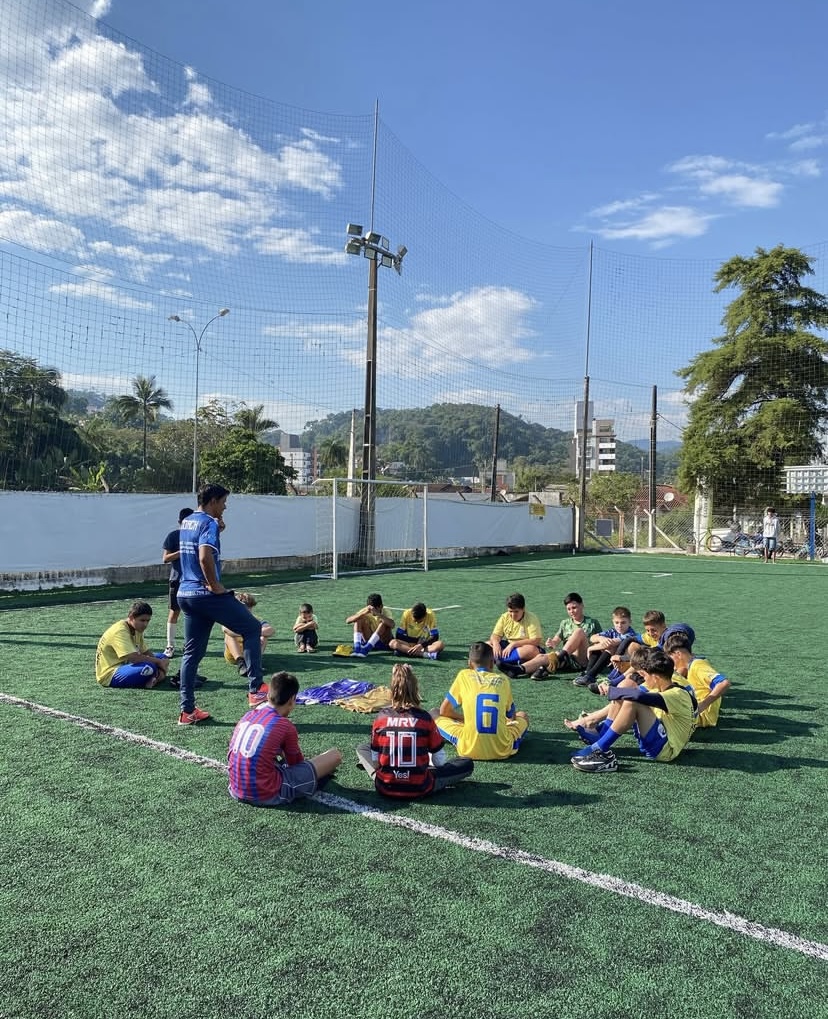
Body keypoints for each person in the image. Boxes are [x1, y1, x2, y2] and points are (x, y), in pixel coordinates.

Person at [176, 482, 266, 726]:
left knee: (192, 653)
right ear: (213, 501)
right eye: (224, 502)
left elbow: (194, 552)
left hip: (185, 594)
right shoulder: (208, 523)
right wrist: (216, 586)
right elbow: (204, 556)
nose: (225, 507)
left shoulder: (187, 522)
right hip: (206, 595)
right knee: (251, 628)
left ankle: (187, 711)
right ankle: (256, 689)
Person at [565, 648, 695, 773]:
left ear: (655, 677)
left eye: (645, 676)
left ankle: (598, 749)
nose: (643, 679)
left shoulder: (677, 694)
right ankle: (602, 738)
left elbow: (637, 697)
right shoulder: (664, 686)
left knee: (632, 701)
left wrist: (610, 690)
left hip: (666, 751)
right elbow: (631, 693)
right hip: (660, 739)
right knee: (627, 695)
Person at [356, 663, 474, 797]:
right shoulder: (425, 718)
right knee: (466, 763)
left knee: (363, 748)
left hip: (385, 786)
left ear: (392, 690)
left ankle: (385, 775)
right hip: (420, 786)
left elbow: (376, 761)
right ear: (416, 689)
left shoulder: (381, 717)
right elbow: (439, 762)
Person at [227, 671, 342, 806]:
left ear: (268, 695)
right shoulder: (284, 725)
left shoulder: (248, 715)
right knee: (335, 756)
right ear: (292, 700)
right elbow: (296, 764)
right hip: (266, 794)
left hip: (235, 789)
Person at [436, 641, 529, 760]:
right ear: (492, 663)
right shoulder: (503, 680)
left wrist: (465, 719)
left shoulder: (463, 675)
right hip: (502, 749)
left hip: (468, 749)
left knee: (435, 714)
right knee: (523, 715)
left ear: (469, 664)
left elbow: (444, 711)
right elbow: (511, 716)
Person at [521, 592, 601, 679]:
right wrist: (552, 643)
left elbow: (600, 642)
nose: (571, 611)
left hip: (584, 659)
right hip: (568, 659)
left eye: (574, 608)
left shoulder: (592, 622)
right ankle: (518, 669)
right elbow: (556, 640)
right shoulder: (565, 623)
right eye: (568, 609)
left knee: (579, 632)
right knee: (542, 656)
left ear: (582, 605)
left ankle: (557, 660)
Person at [95, 600, 170, 689]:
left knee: (163, 656)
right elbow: (134, 658)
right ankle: (157, 676)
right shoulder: (120, 631)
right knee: (149, 667)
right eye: (142, 620)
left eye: (148, 621)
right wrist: (159, 663)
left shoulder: (136, 628)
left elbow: (145, 652)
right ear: (131, 617)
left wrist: (159, 661)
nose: (145, 624)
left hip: (126, 664)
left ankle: (155, 679)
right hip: (110, 674)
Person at [663, 632, 730, 728]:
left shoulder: (697, 666)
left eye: (671, 658)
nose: (671, 663)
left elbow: (724, 683)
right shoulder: (693, 663)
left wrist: (701, 706)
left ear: (678, 654)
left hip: (701, 716)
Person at [572, 606, 640, 688]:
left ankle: (590, 676)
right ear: (613, 622)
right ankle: (588, 673)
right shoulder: (613, 631)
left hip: (623, 664)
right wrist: (601, 638)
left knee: (608, 647)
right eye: (617, 622)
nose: (619, 625)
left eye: (623, 622)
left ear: (630, 622)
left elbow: (611, 643)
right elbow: (593, 637)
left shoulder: (630, 634)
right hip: (612, 662)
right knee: (599, 643)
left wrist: (591, 648)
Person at [161, 505, 194, 656]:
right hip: (177, 579)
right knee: (174, 611)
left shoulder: (196, 536)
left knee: (193, 613)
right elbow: (165, 558)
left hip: (193, 579)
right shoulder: (173, 536)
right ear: (179, 522)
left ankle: (189, 644)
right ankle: (170, 645)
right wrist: (181, 552)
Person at [487, 592, 544, 677]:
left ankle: (499, 660)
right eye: (510, 611)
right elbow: (495, 635)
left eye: (516, 611)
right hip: (509, 648)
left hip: (523, 647)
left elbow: (536, 640)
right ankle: (510, 661)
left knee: (532, 650)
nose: (513, 615)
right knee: (485, 645)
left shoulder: (531, 618)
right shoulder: (504, 617)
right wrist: (495, 644)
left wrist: (514, 644)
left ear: (523, 609)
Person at [223, 592, 275, 674]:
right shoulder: (230, 618)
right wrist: (249, 633)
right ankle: (241, 663)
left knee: (263, 636)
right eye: (245, 608)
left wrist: (254, 633)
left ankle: (255, 663)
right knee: (229, 635)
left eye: (250, 607)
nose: (248, 610)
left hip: (250, 652)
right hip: (233, 656)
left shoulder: (255, 619)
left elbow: (270, 630)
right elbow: (225, 629)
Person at [346, 593, 395, 657]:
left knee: (384, 623)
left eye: (375, 609)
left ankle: (366, 649)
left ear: (381, 606)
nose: (372, 612)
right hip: (369, 639)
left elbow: (392, 625)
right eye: (371, 610)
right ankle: (357, 648)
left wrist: (378, 614)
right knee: (358, 619)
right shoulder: (367, 610)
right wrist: (363, 614)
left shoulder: (386, 611)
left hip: (384, 641)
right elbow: (348, 621)